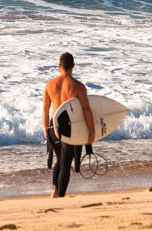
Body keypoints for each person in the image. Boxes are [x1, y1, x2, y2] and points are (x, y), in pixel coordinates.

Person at [42, 52, 95, 198]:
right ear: (73, 66)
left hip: (53, 125)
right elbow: (86, 111)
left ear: (59, 66)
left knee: (60, 159)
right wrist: (91, 131)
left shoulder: (49, 85)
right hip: (67, 127)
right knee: (65, 163)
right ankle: (60, 196)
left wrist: (46, 129)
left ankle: (55, 190)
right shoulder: (78, 87)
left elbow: (46, 110)